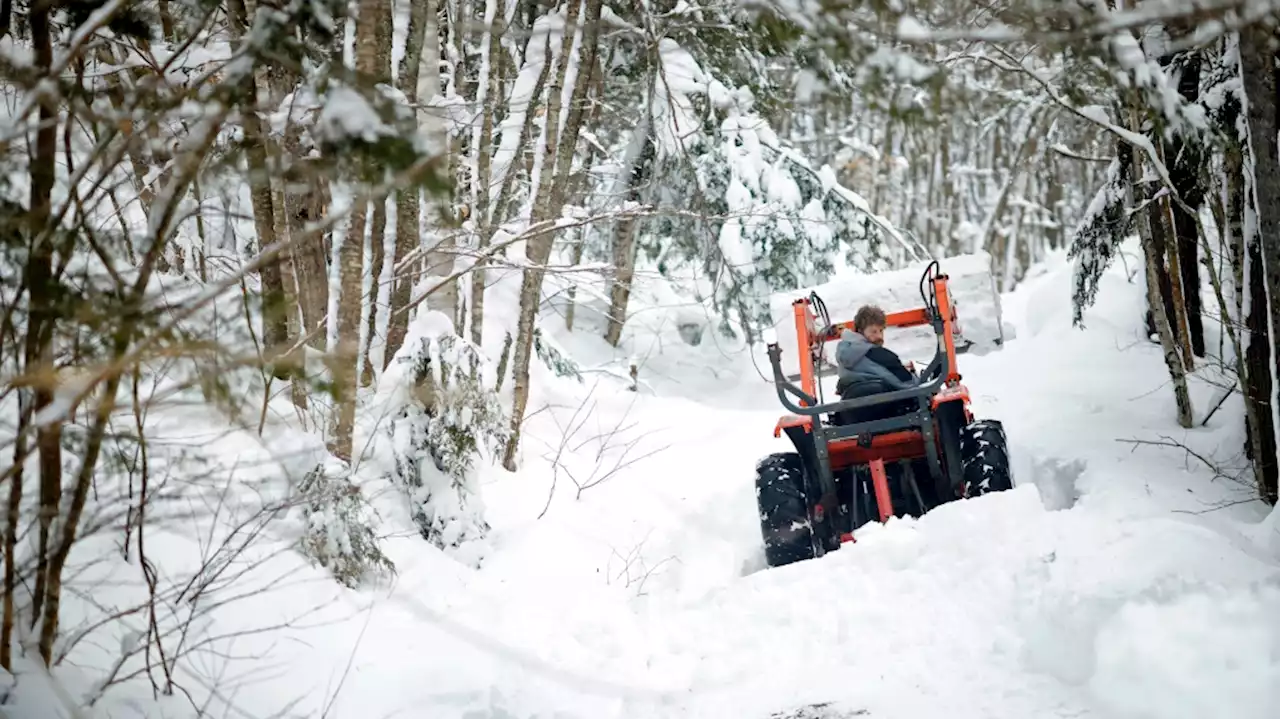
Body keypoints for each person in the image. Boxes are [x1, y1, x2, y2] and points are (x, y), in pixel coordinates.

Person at [833, 305, 917, 398]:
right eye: (873, 332)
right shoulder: (876, 354)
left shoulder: (846, 352)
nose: (879, 336)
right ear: (860, 331)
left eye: (881, 331)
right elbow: (909, 384)